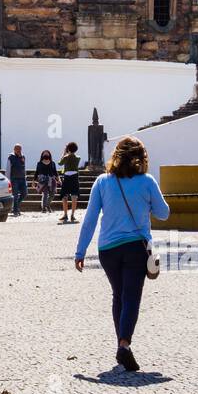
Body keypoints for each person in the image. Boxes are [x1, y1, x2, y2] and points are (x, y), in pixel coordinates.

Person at [74, 135, 170, 372]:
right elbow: (164, 213)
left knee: (119, 295)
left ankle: (122, 347)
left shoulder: (102, 182)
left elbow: (90, 219)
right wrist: (145, 203)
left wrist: (80, 251)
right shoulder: (147, 181)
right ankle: (124, 345)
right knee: (131, 297)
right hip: (135, 247)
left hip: (107, 250)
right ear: (141, 158)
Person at [58, 141, 82, 224]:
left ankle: (65, 214)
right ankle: (72, 215)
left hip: (67, 177)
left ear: (68, 149)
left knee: (64, 197)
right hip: (75, 177)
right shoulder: (78, 157)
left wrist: (64, 152)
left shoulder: (66, 157)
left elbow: (60, 163)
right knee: (74, 197)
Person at [6, 144, 27, 217]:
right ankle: (15, 210)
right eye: (17, 149)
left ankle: (16, 206)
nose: (19, 150)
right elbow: (8, 169)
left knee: (24, 193)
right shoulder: (10, 157)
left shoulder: (23, 157)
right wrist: (8, 179)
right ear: (14, 149)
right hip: (14, 178)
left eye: (20, 149)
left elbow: (24, 167)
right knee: (15, 195)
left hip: (22, 178)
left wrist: (25, 176)